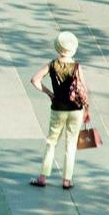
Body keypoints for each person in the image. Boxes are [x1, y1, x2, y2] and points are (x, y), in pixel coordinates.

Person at [29, 31, 89, 189]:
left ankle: (43, 177)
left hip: (58, 108)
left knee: (51, 142)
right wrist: (86, 108)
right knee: (71, 144)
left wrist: (49, 93)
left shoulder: (52, 65)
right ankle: (67, 180)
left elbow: (34, 80)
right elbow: (84, 88)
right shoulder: (76, 66)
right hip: (76, 109)